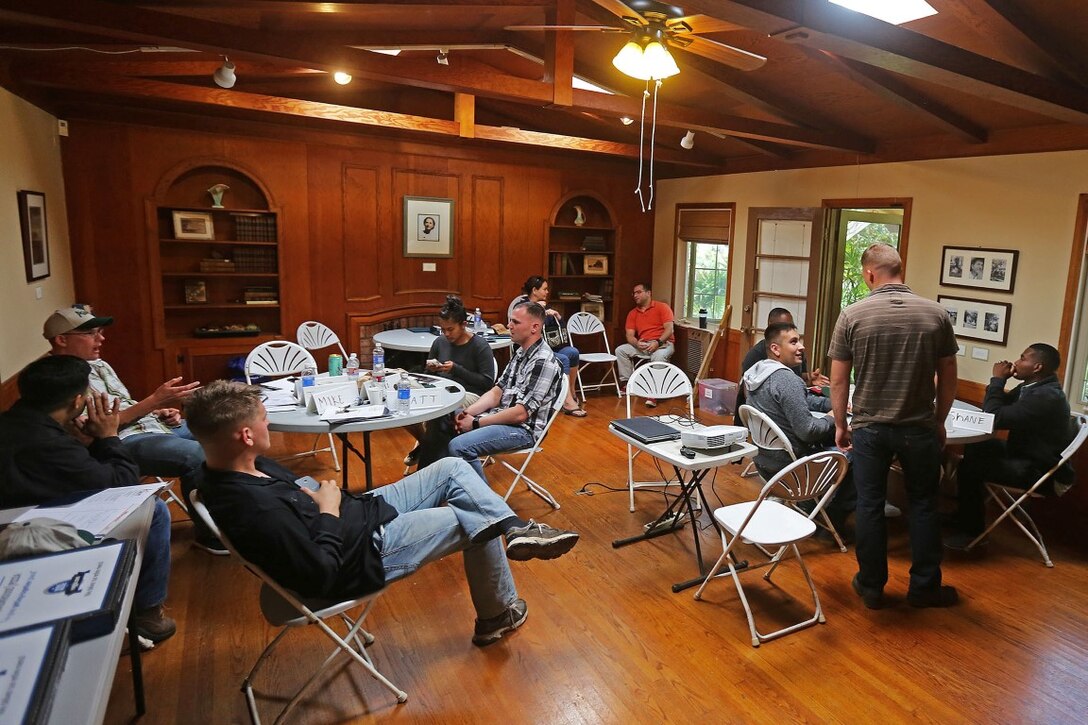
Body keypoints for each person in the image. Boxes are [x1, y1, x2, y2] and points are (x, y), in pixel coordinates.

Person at [186, 380, 578, 647]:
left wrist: (317, 497)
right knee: (474, 517)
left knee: (452, 468)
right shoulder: (250, 507)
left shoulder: (241, 465)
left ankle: (516, 529)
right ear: (246, 435)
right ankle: (496, 615)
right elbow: (321, 572)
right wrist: (327, 510)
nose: (267, 419)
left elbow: (293, 504)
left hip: (360, 513)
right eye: (262, 417)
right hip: (362, 551)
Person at [0, 355, 176, 643]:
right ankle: (147, 613)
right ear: (77, 401)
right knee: (153, 509)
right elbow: (122, 484)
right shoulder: (50, 443)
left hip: (22, 509)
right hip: (33, 525)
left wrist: (89, 443)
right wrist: (108, 436)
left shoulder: (16, 423)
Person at [828, 243, 959, 610]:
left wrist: (841, 424)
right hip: (918, 426)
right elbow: (948, 374)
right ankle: (924, 588)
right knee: (923, 505)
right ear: (900, 269)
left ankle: (871, 587)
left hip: (869, 427)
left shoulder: (852, 315)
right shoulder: (935, 314)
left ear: (869, 274)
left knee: (869, 504)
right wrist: (939, 421)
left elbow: (839, 380)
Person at [42, 304, 222, 554]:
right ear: (61, 340)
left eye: (100, 332)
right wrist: (154, 401)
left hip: (148, 426)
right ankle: (211, 535)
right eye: (90, 334)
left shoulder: (99, 364)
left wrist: (157, 411)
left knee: (222, 429)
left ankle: (234, 515)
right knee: (195, 456)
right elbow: (98, 428)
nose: (101, 338)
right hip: (120, 441)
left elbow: (123, 404)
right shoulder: (58, 378)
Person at [945, 344, 1074, 549]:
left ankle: (972, 531)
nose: (1016, 362)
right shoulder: (1033, 387)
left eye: (1023, 358)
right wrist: (999, 383)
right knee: (976, 447)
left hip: (1040, 469)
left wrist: (997, 379)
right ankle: (966, 514)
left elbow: (992, 417)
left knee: (969, 467)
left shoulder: (1045, 397)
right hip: (1027, 454)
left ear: (1037, 367)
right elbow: (999, 406)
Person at [742, 323, 855, 537]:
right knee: (856, 452)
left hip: (765, 463)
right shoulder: (787, 380)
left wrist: (831, 403)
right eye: (793, 342)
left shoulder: (759, 373)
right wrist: (834, 419)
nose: (801, 347)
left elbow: (800, 399)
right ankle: (821, 515)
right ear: (776, 349)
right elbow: (808, 431)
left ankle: (805, 505)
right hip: (792, 467)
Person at [449, 301, 563, 480]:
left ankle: (482, 503)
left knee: (460, 446)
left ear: (534, 327)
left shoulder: (542, 361)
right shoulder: (521, 353)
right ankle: (444, 486)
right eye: (510, 321)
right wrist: (467, 413)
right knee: (446, 418)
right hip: (502, 417)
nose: (509, 326)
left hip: (523, 431)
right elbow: (497, 392)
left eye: (515, 322)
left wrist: (476, 423)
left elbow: (520, 414)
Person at [403, 295, 497, 469]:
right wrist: (430, 371)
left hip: (471, 395)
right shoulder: (440, 342)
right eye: (443, 329)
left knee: (440, 413)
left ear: (463, 325)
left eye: (450, 329)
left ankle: (426, 468)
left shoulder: (480, 346)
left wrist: (456, 369)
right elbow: (427, 375)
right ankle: (427, 445)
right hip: (441, 390)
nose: (446, 334)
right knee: (404, 401)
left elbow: (487, 383)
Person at [508, 276, 585, 417]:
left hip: (553, 345)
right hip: (537, 349)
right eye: (544, 289)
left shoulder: (546, 305)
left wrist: (557, 317)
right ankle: (566, 401)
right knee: (564, 359)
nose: (547, 292)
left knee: (573, 352)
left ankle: (572, 392)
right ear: (534, 290)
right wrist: (542, 312)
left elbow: (557, 329)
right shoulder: (523, 307)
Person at [615, 281, 675, 408]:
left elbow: (669, 329)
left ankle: (654, 392)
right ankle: (628, 384)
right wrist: (637, 343)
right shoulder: (632, 313)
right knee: (620, 350)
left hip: (663, 344)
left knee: (658, 357)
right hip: (643, 345)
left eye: (639, 292)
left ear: (648, 293)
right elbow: (629, 335)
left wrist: (658, 342)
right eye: (634, 293)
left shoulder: (662, 307)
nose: (635, 295)